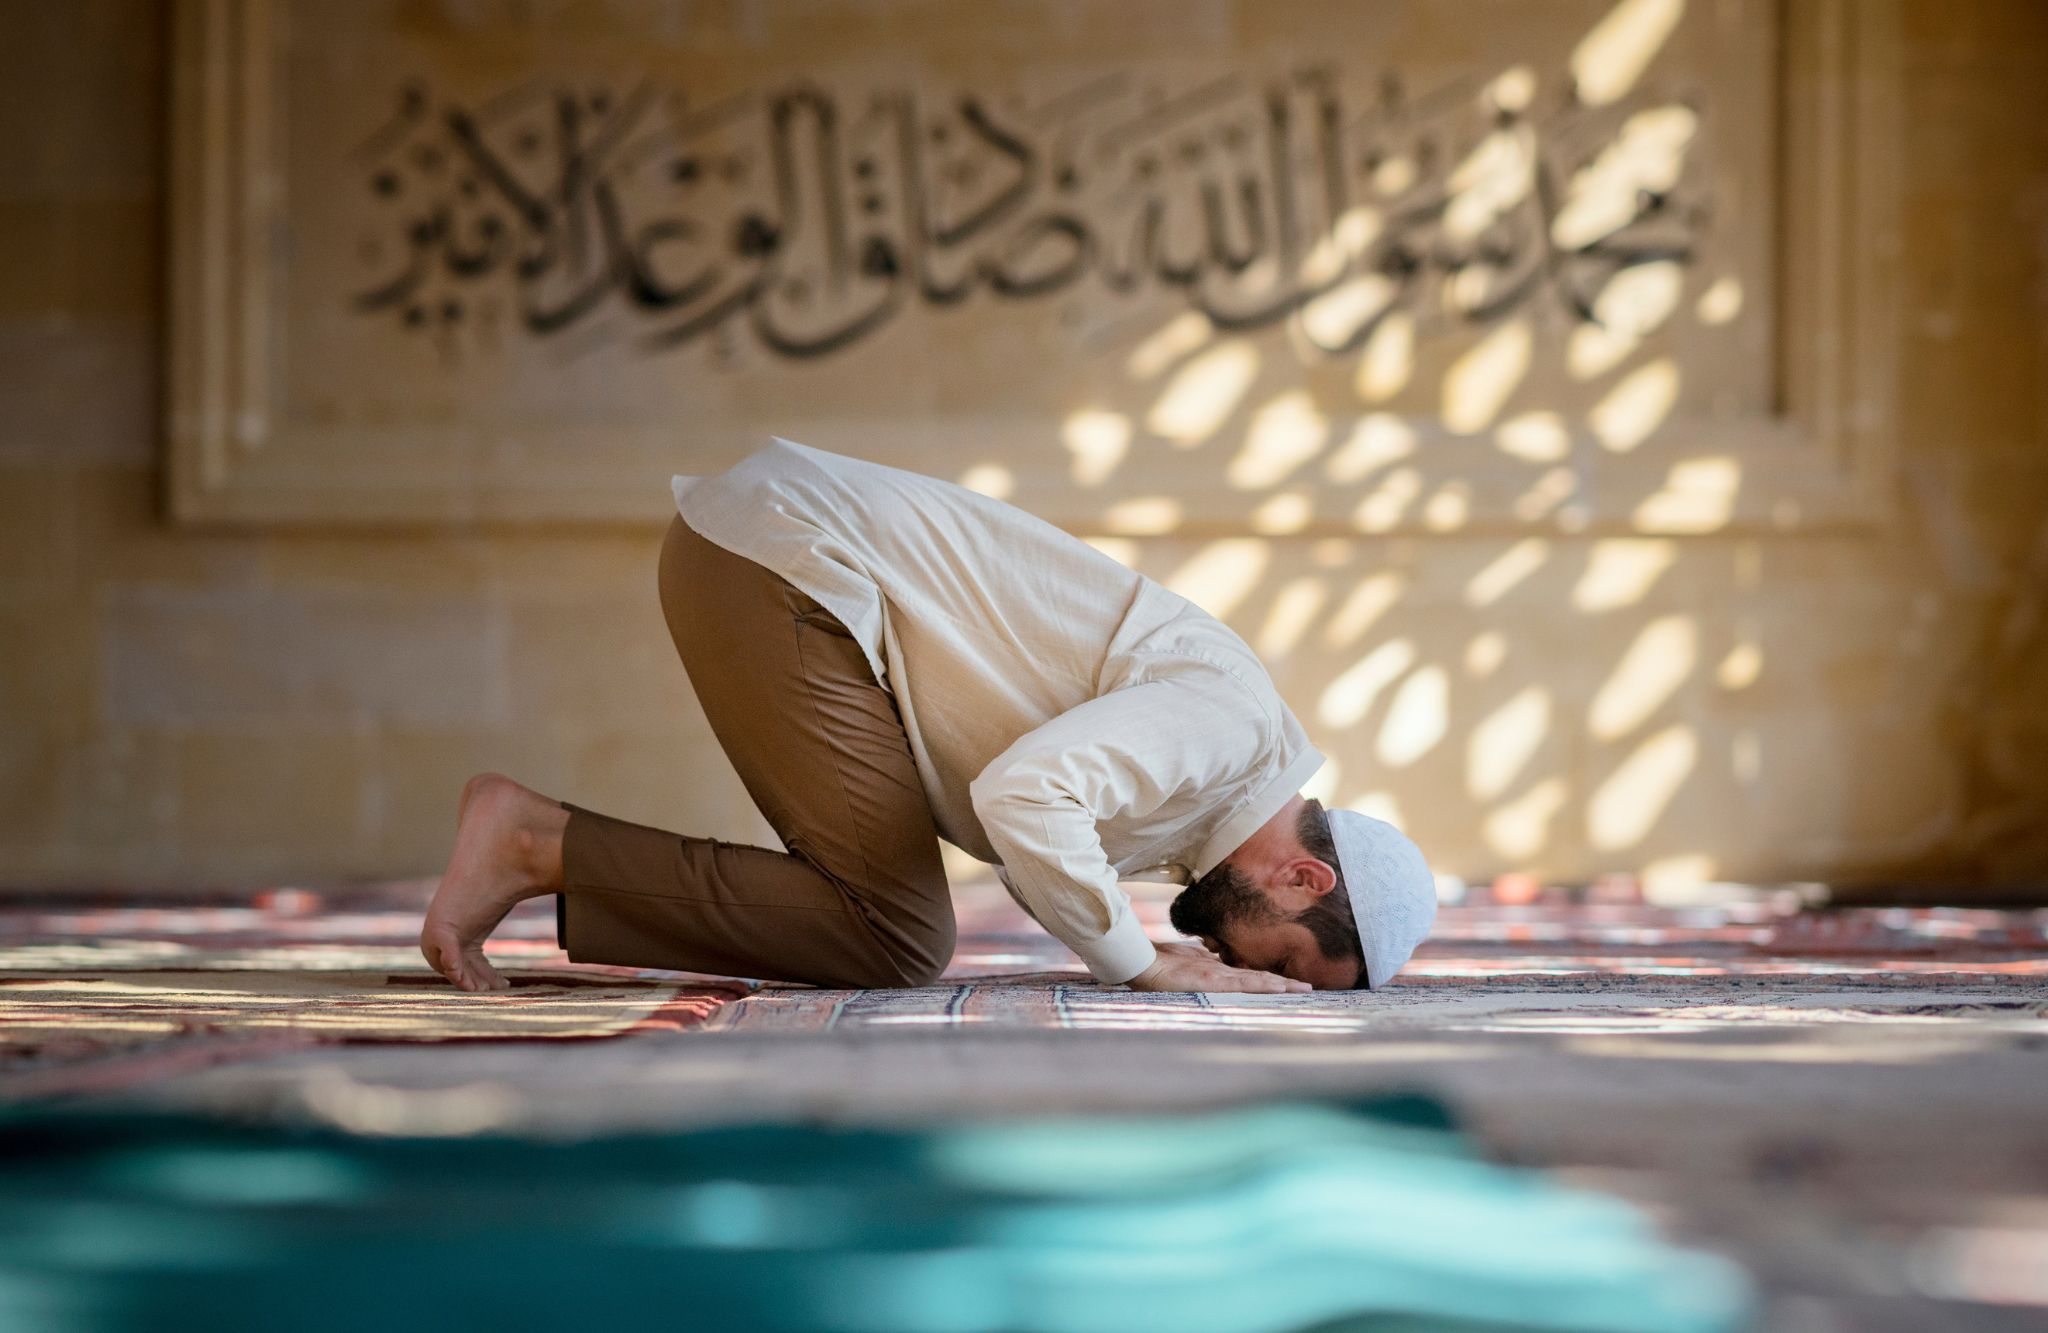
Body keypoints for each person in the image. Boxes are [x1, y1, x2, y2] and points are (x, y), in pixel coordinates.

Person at [420, 438, 1437, 995]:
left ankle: (541, 843)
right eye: (1288, 962)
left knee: (893, 929)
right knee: (896, 934)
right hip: (787, 565)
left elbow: (1030, 825)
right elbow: (1025, 794)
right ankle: (530, 842)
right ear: (1302, 878)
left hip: (772, 560)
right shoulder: (1228, 730)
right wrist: (1137, 965)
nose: (1247, 972)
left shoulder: (1200, 803)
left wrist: (1130, 945)